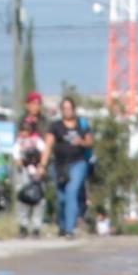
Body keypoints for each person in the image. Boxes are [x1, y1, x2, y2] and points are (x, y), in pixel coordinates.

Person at [53, 101, 94, 236]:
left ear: (74, 109)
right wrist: (42, 164)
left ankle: (70, 229)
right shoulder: (56, 126)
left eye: (70, 108)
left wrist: (81, 142)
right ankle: (63, 224)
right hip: (60, 164)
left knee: (72, 191)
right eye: (64, 108)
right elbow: (48, 145)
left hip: (78, 163)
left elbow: (90, 142)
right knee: (62, 198)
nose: (67, 111)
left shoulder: (82, 125)